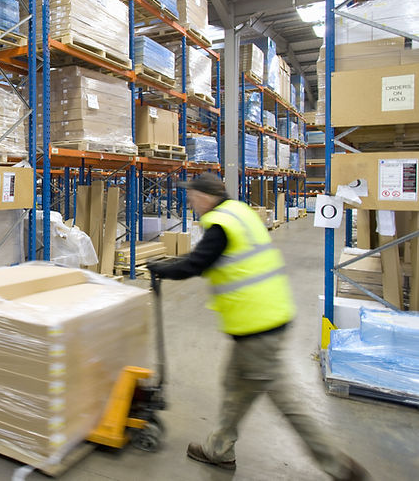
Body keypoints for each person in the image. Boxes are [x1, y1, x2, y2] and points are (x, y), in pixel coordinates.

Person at [146, 175, 368, 480]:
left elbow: (197, 263)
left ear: (207, 196)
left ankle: (337, 465)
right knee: (235, 387)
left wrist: (161, 268)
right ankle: (219, 449)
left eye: (193, 197)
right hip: (265, 316)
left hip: (257, 326)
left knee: (284, 398)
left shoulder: (220, 224)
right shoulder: (239, 212)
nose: (191, 203)